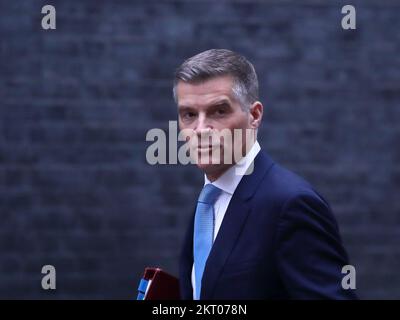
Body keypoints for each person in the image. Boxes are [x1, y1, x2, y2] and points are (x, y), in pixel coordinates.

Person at [174, 49, 356, 300]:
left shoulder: (292, 204)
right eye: (189, 115)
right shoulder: (209, 200)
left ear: (254, 116)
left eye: (219, 111)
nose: (201, 129)